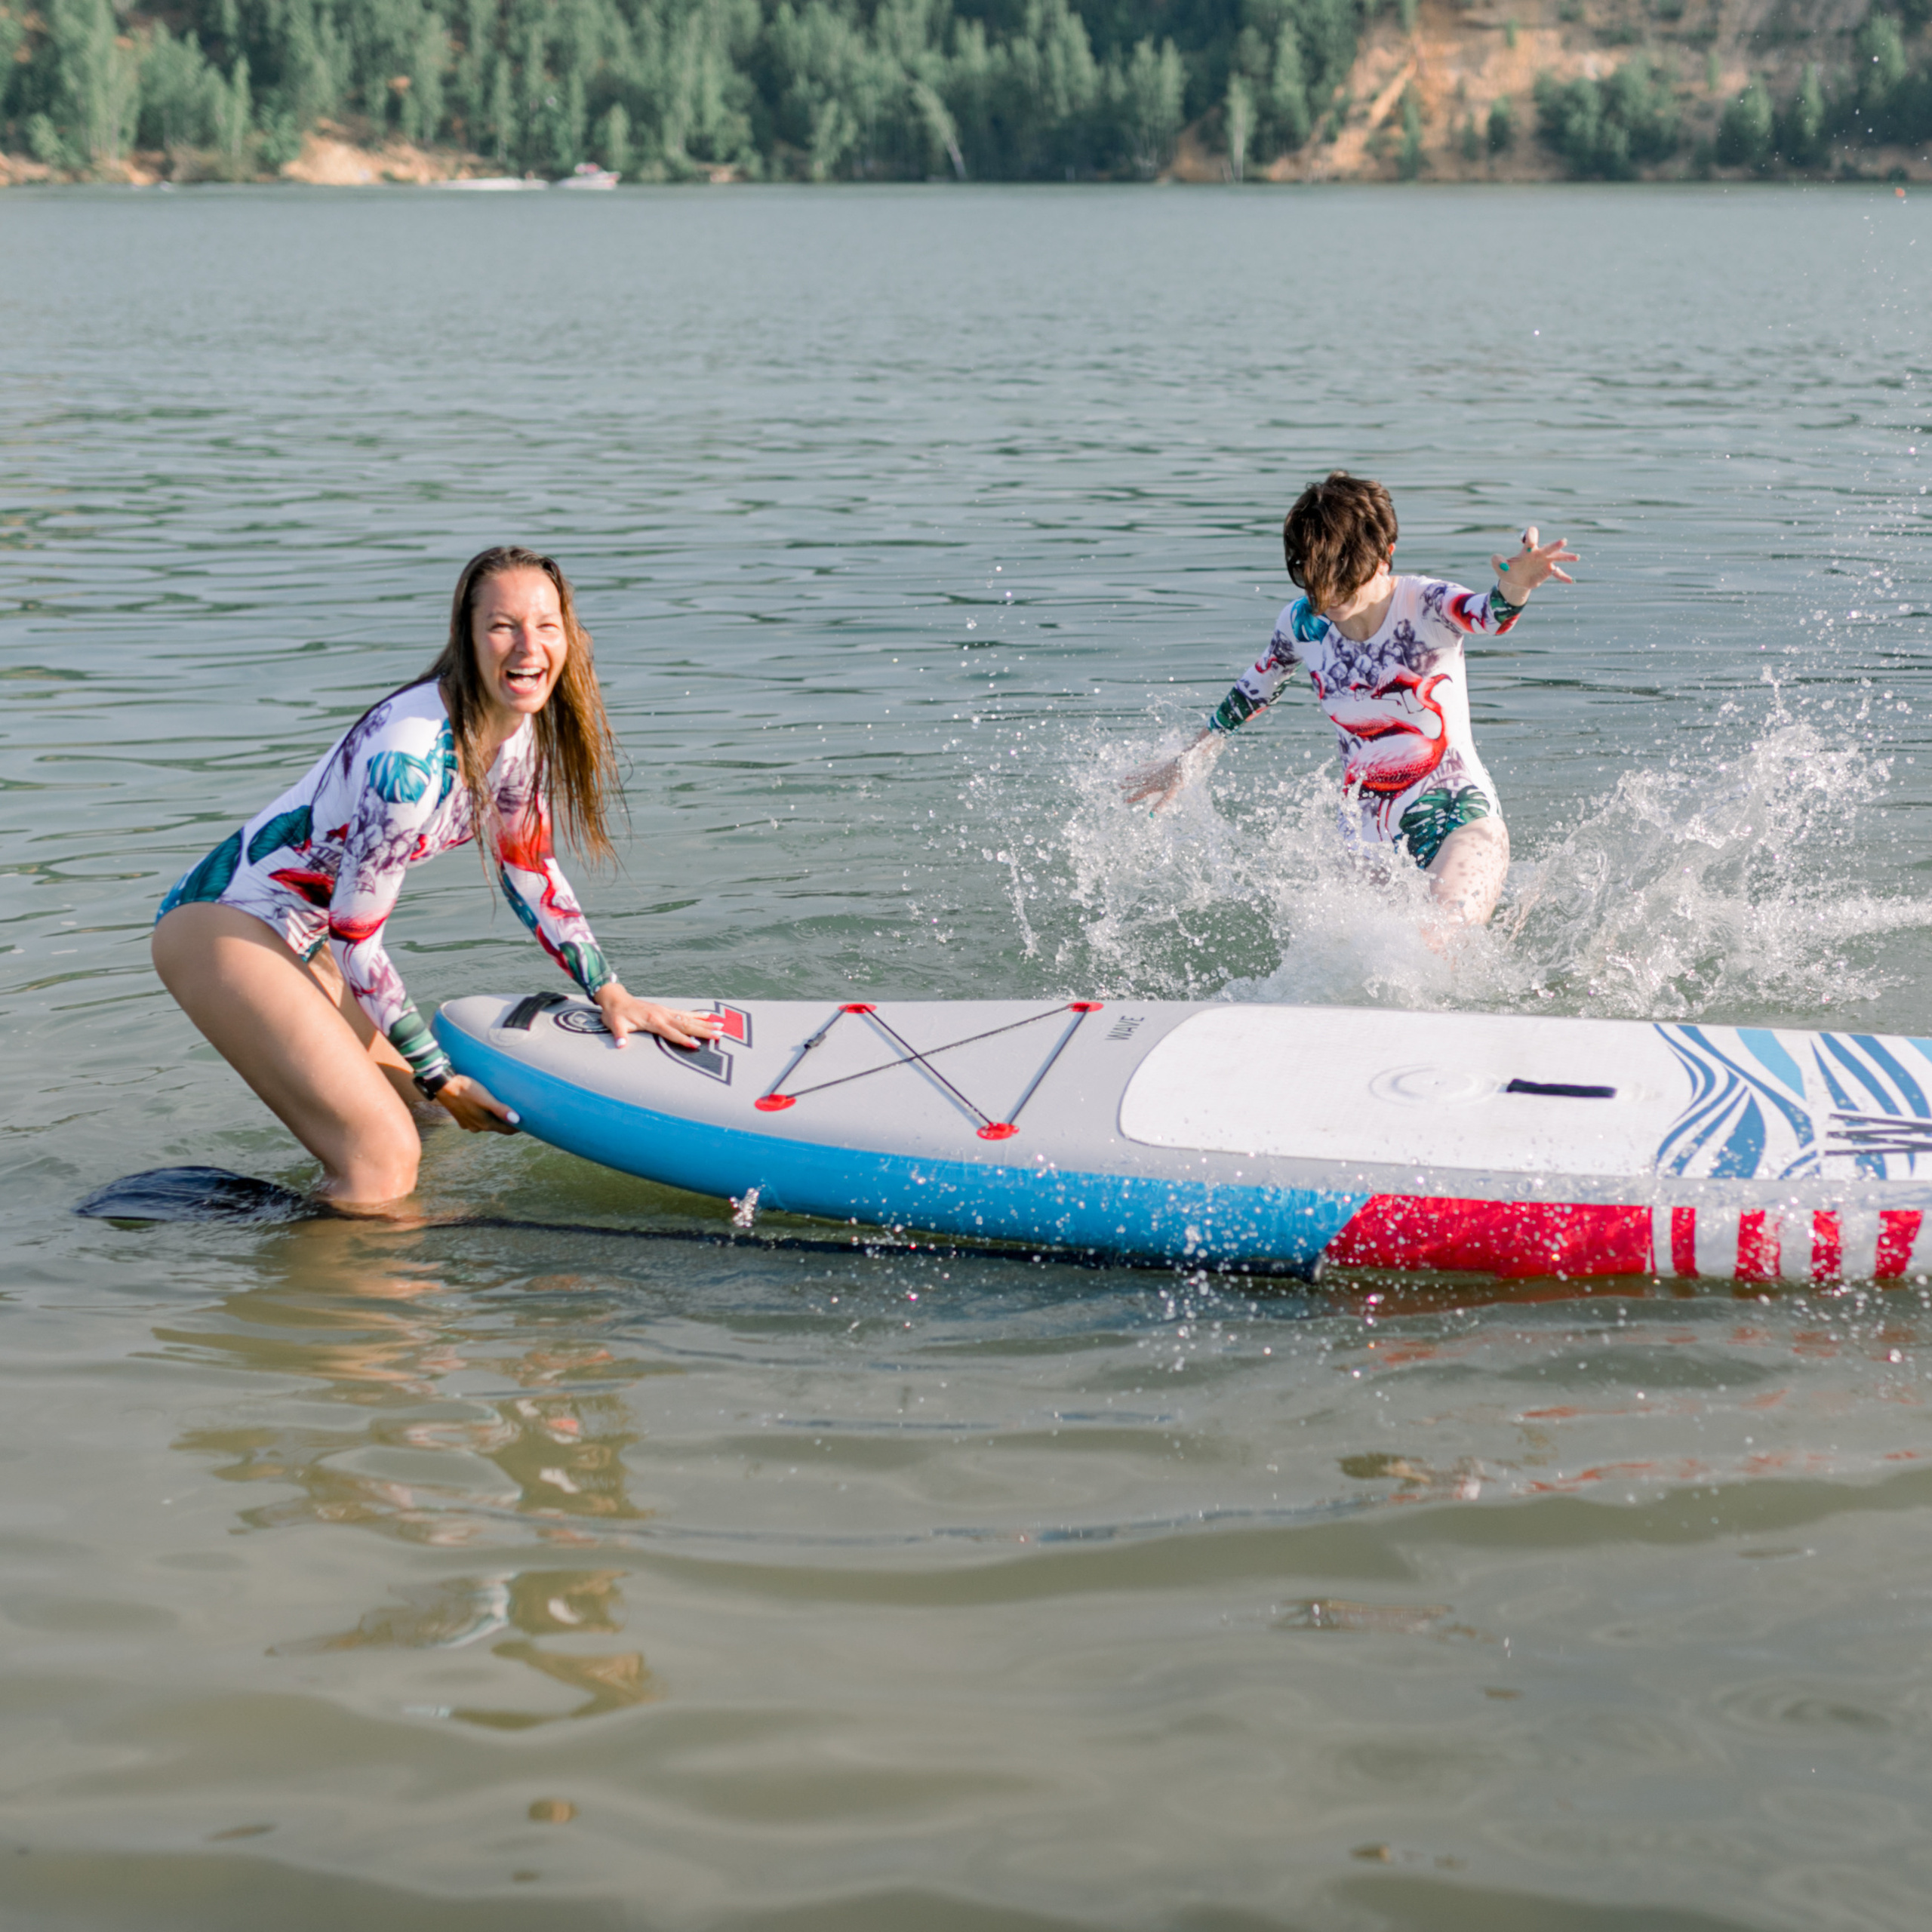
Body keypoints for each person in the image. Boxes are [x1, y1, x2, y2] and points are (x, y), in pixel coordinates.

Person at [151, 546, 723, 1208]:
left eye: (545, 625)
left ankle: (302, 1260)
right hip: (226, 927)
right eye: (502, 625)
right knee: (383, 1160)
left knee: (428, 1123)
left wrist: (612, 992)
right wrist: (437, 1074)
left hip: (298, 937)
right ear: (468, 637)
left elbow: (528, 868)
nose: (526, 646)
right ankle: (345, 1291)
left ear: (570, 636)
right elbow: (356, 939)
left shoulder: (518, 733)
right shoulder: (411, 761)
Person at [1122, 472, 1576, 928]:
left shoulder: (1426, 604)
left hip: (1461, 825)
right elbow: (1253, 690)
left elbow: (1489, 615)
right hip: (1366, 845)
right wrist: (1189, 758)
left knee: (1437, 951)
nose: (1327, 592)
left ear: (1384, 555)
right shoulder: (1303, 624)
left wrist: (1517, 586)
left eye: (1342, 572)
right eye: (1310, 573)